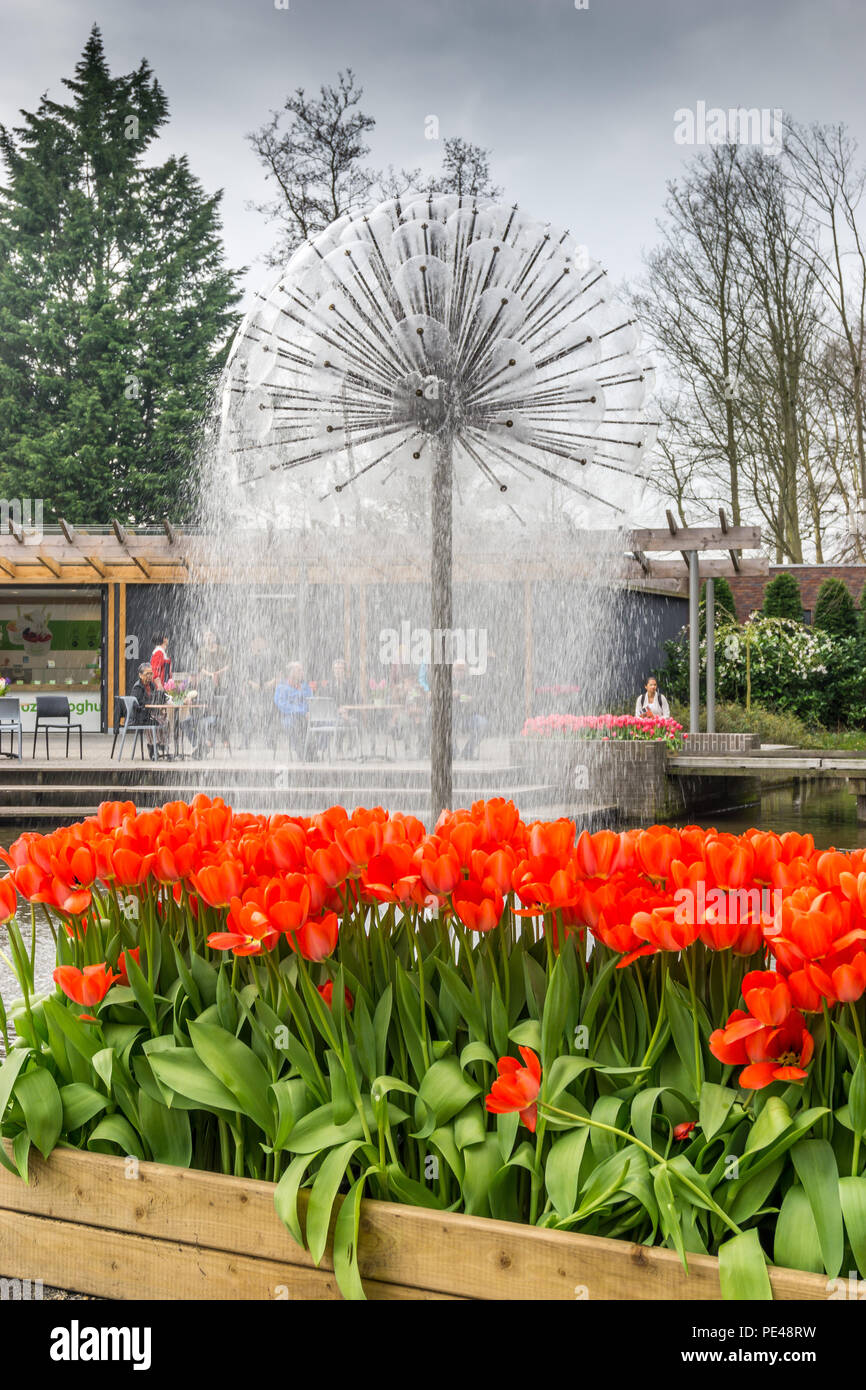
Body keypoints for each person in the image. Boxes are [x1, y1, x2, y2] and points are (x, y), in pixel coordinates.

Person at [274, 661, 312, 759]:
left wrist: (309, 712)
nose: (302, 672)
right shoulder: (281, 687)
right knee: (294, 724)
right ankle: (303, 753)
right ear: (291, 673)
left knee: (317, 723)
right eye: (299, 670)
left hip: (306, 717)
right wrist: (302, 712)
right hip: (288, 717)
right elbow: (282, 705)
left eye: (302, 670)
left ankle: (312, 750)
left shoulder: (305, 687)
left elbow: (311, 701)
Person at [453, 659, 487, 760]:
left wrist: (460, 696)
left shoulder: (472, 683)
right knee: (441, 722)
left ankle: (468, 751)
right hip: (451, 716)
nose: (459, 672)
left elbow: (474, 699)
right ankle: (452, 751)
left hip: (468, 716)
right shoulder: (446, 681)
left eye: (462, 670)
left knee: (482, 723)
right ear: (452, 670)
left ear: (466, 671)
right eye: (457, 670)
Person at [129, 663, 166, 759]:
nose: (149, 676)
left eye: (151, 673)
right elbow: (137, 704)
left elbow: (160, 699)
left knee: (164, 721)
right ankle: (152, 747)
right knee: (153, 722)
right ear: (140, 675)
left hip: (149, 714)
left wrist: (160, 687)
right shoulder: (138, 687)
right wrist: (151, 705)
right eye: (147, 674)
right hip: (139, 716)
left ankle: (162, 745)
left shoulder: (152, 685)